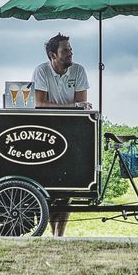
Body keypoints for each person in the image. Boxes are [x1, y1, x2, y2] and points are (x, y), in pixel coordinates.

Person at [31, 33, 91, 237]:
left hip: (71, 130)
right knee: (48, 188)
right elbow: (39, 104)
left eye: (70, 49)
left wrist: (74, 108)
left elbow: (82, 106)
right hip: (46, 129)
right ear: (52, 55)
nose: (70, 53)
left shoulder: (79, 71)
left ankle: (59, 235)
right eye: (65, 50)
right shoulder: (41, 71)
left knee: (68, 188)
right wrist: (72, 107)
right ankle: (53, 233)